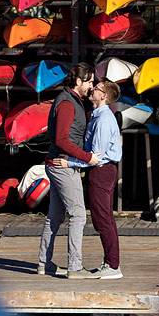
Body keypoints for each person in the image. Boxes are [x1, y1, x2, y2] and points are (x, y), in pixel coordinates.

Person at [39, 63, 101, 278]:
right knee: (78, 216)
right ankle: (74, 267)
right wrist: (87, 158)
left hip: (55, 163)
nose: (92, 86)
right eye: (90, 81)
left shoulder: (73, 100)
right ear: (78, 81)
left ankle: (43, 263)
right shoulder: (67, 103)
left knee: (54, 217)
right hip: (62, 166)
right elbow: (62, 139)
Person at [71, 79, 124, 279]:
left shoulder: (103, 119)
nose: (92, 89)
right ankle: (111, 263)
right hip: (103, 171)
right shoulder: (98, 116)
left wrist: (70, 163)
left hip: (101, 171)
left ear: (104, 96)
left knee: (103, 220)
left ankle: (112, 265)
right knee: (104, 219)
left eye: (97, 88)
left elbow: (96, 155)